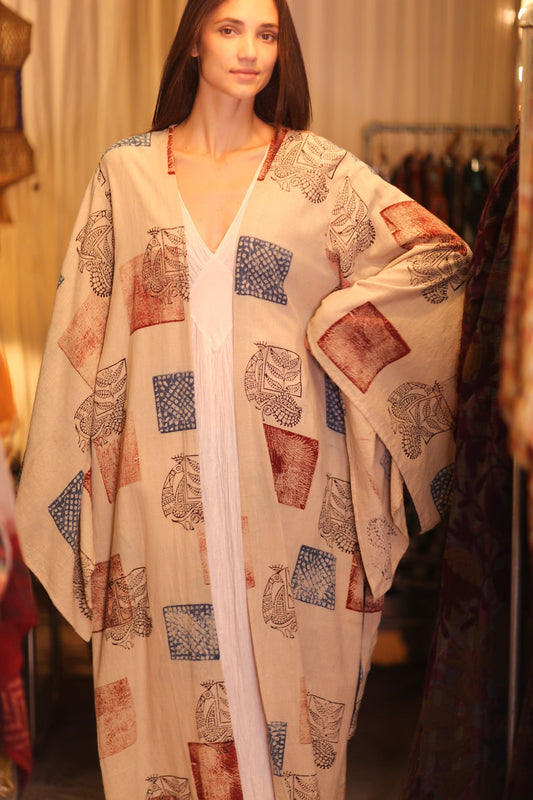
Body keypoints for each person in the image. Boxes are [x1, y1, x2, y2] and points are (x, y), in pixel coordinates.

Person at [15, 1, 470, 798]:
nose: (250, 50)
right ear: (194, 39)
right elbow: (82, 336)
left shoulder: (317, 175)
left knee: (289, 713)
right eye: (230, 28)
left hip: (289, 494)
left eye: (267, 34)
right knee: (173, 704)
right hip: (161, 488)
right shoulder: (126, 175)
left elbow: (439, 260)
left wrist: (336, 327)